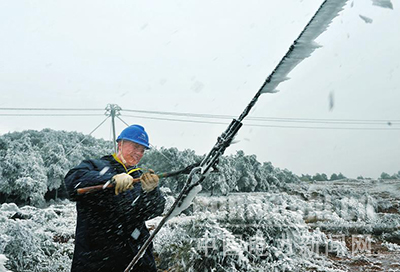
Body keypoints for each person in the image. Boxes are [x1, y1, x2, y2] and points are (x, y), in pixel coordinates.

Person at [64, 124, 166, 272]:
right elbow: (73, 183)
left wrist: (151, 192)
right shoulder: (95, 166)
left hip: (138, 259)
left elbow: (151, 211)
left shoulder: (139, 178)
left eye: (143, 150)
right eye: (135, 146)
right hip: (98, 261)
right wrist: (110, 179)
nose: (139, 153)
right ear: (120, 143)